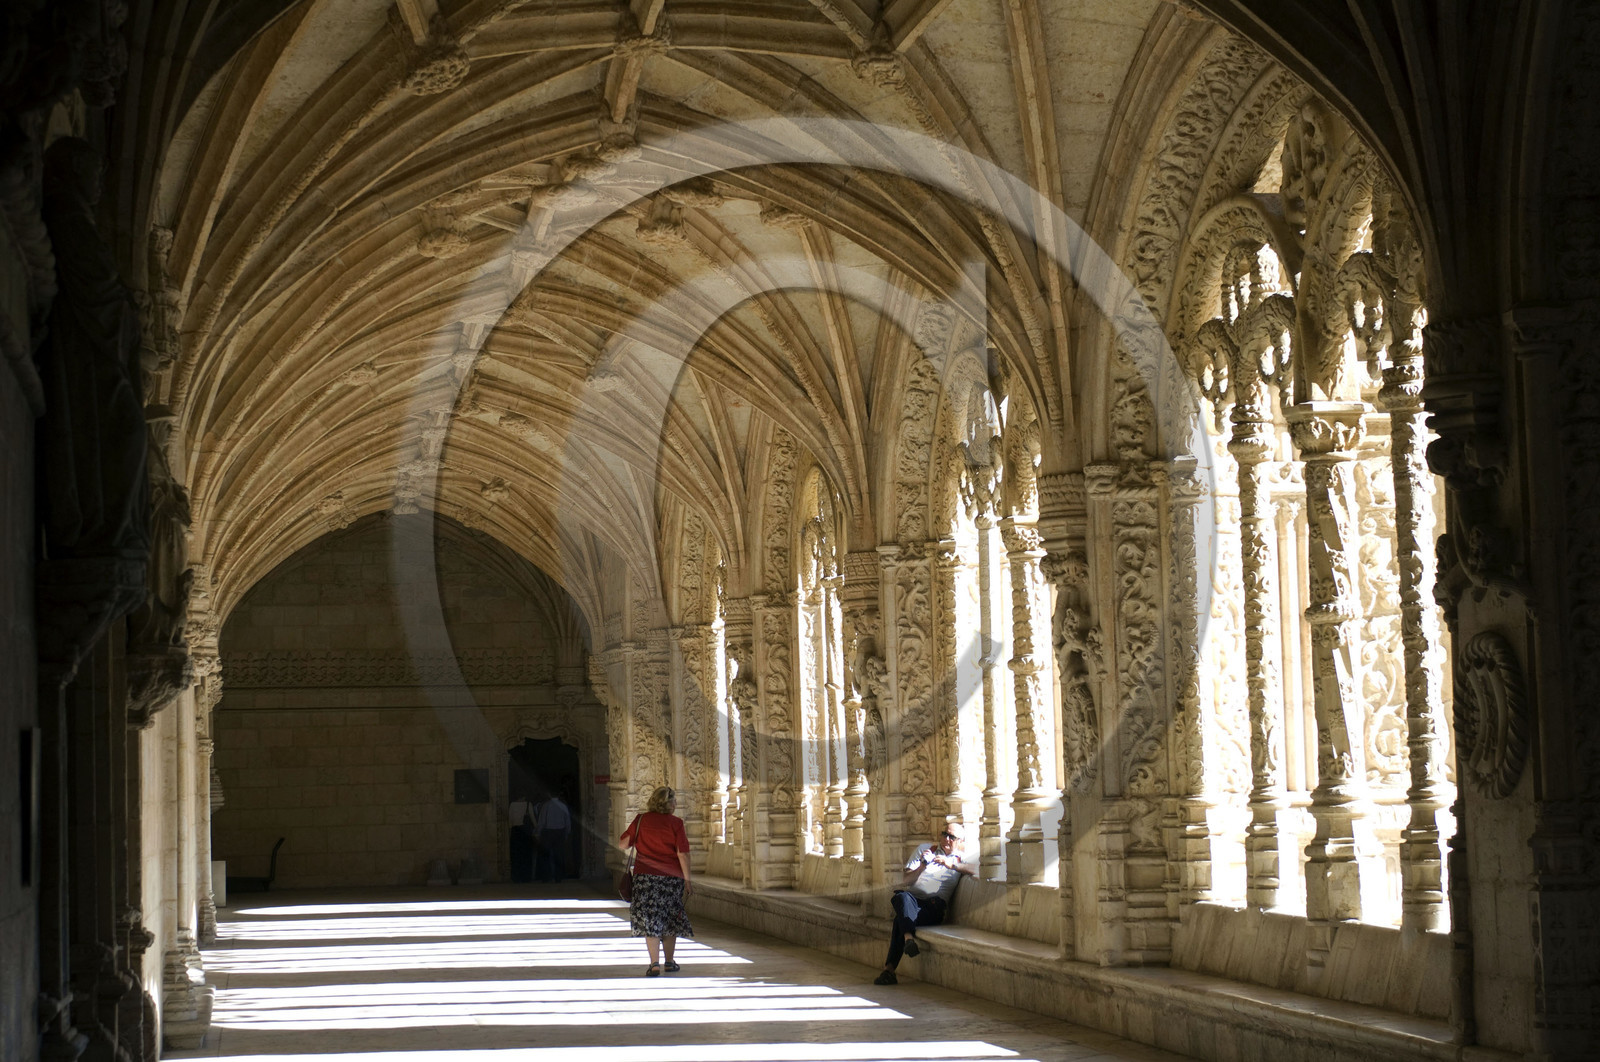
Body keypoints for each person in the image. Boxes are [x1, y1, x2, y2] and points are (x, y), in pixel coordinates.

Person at [873, 821, 975, 985]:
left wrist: (952, 865)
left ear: (960, 841)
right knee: (901, 897)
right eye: (945, 834)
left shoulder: (962, 857)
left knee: (900, 919)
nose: (947, 839)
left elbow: (979, 870)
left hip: (934, 906)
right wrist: (922, 866)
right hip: (913, 901)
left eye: (952, 837)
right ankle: (907, 940)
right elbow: (906, 881)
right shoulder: (925, 850)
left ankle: (890, 969)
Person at [620, 786, 693, 977]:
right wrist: (687, 880)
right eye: (674, 800)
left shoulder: (641, 820)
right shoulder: (676, 823)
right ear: (669, 803)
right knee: (669, 919)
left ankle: (654, 963)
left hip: (645, 878)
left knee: (650, 919)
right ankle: (669, 962)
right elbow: (682, 854)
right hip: (671, 878)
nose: (676, 804)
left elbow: (623, 844)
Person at [534, 789, 571, 882]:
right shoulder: (563, 806)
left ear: (549, 794)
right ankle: (559, 877)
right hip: (560, 832)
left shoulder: (546, 806)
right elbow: (567, 822)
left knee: (546, 855)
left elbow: (541, 821)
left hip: (548, 832)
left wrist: (538, 833)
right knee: (559, 855)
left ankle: (546, 877)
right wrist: (566, 834)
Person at [507, 793, 535, 883]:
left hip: (515, 832)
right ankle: (526, 877)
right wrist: (537, 829)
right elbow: (533, 819)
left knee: (516, 856)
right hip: (525, 832)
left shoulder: (512, 805)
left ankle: (516, 877)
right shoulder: (528, 804)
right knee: (526, 855)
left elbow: (510, 821)